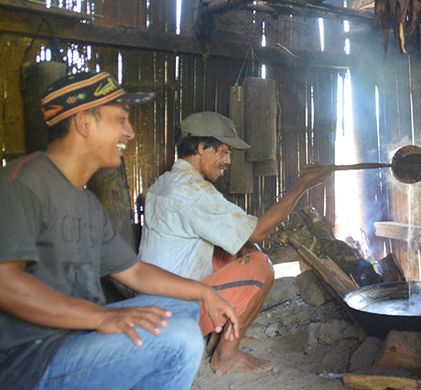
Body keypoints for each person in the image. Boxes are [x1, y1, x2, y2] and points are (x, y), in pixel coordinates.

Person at [0, 72, 241, 390]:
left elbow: (136, 272)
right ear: (85, 123)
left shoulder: (85, 202)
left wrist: (205, 292)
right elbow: (4, 282)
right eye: (120, 120)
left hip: (74, 333)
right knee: (179, 340)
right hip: (30, 360)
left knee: (184, 307)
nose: (129, 132)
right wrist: (100, 318)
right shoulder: (21, 183)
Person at [139, 111, 332, 373]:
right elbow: (258, 231)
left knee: (245, 249)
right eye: (223, 151)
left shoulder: (166, 182)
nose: (228, 160)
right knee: (261, 266)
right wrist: (301, 187)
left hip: (156, 301)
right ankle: (226, 355)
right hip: (173, 314)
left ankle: (224, 335)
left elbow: (243, 238)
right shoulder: (192, 192)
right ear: (200, 148)